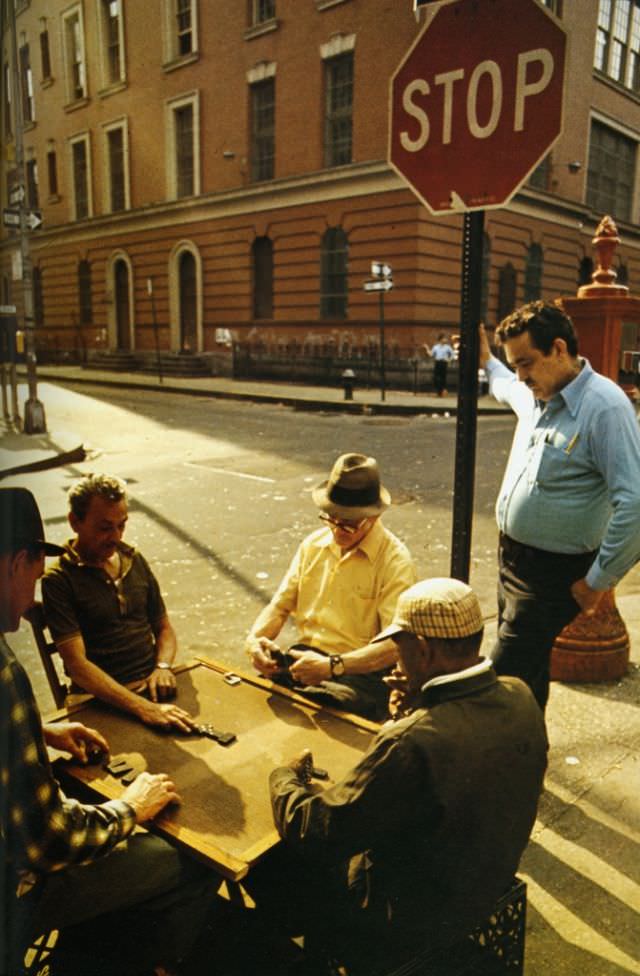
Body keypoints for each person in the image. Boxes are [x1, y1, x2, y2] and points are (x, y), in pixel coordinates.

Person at [248, 578, 547, 972]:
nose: (396, 662)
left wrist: (284, 778)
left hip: (399, 919)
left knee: (268, 861)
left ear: (423, 650)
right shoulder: (520, 693)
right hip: (482, 879)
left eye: (400, 650)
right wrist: (415, 707)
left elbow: (317, 829)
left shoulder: (412, 741)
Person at [0, 487, 218, 976]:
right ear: (18, 560)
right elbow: (49, 840)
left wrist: (36, 731)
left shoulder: (133, 563)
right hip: (14, 896)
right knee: (189, 859)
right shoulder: (3, 671)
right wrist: (129, 809)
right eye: (32, 576)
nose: (30, 596)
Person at [479, 301, 640, 710]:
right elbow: (502, 383)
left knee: (501, 680)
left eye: (527, 363)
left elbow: (635, 503)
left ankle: (498, 763)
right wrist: (487, 361)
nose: (521, 375)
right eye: (515, 364)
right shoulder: (537, 392)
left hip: (551, 576)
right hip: (512, 560)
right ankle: (527, 762)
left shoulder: (605, 407)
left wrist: (597, 583)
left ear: (559, 349)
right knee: (527, 677)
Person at [245, 453, 416, 720]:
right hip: (307, 662)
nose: (336, 531)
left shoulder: (395, 561)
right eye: (330, 519)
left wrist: (333, 666)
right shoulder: (313, 545)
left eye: (348, 525)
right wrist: (255, 641)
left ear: (373, 516)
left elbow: (395, 646)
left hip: (358, 673)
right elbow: (279, 606)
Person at [41, 474, 193, 731]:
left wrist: (163, 666)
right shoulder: (58, 580)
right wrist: (142, 707)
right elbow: (77, 667)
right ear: (74, 522)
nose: (116, 536)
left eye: (121, 525)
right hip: (99, 699)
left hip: (152, 685)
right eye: (104, 528)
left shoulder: (133, 559)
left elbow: (164, 628)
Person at [428, 332, 455, 396]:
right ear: (441, 339)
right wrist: (427, 348)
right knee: (436, 377)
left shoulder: (447, 347)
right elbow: (431, 354)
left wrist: (449, 360)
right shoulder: (436, 347)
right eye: (444, 338)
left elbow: (453, 354)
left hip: (443, 363)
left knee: (443, 377)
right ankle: (439, 390)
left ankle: (441, 391)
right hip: (437, 362)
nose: (446, 340)